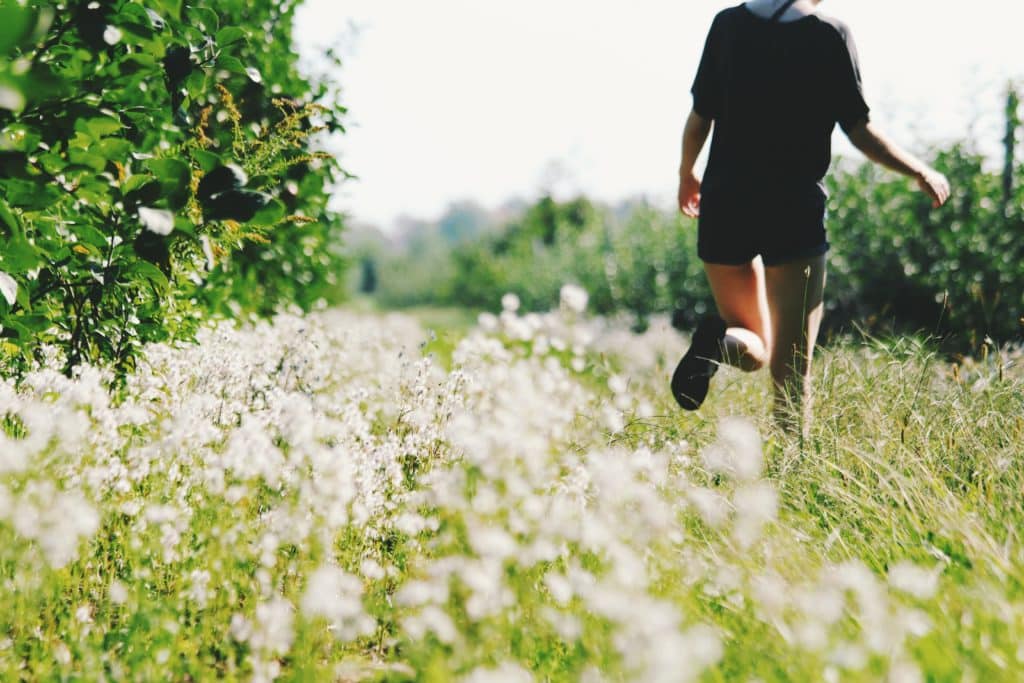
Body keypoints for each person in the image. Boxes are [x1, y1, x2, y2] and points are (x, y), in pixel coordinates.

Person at [671, 0, 950, 433]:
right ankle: (793, 477)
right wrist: (919, 169)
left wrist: (687, 174)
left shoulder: (727, 25)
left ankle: (717, 346)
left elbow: (698, 118)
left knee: (753, 344)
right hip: (792, 209)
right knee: (790, 368)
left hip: (726, 204)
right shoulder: (828, 34)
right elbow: (859, 130)